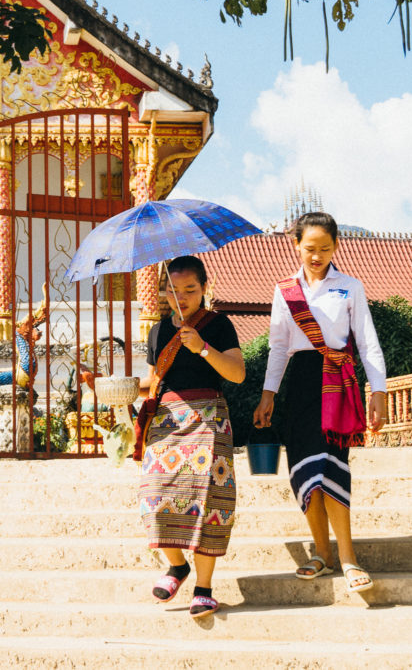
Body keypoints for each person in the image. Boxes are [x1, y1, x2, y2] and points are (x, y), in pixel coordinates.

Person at [253, 212, 387, 593]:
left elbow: (367, 343)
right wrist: (268, 394)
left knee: (332, 468)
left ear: (336, 247)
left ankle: (348, 558)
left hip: (336, 387)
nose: (317, 256)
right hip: (299, 386)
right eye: (310, 248)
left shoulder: (350, 287)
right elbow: (278, 347)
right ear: (296, 244)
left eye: (325, 249)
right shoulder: (285, 291)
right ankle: (322, 554)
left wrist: (378, 392)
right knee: (303, 470)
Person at [137, 255, 245, 618]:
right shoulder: (157, 331)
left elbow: (237, 373)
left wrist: (202, 347)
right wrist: (119, 387)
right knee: (153, 497)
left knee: (207, 500)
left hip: (209, 419)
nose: (181, 297)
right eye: (174, 290)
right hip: (167, 422)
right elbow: (155, 381)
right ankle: (177, 565)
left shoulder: (218, 325)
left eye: (190, 289)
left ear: (204, 289)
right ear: (164, 291)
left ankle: (204, 587)